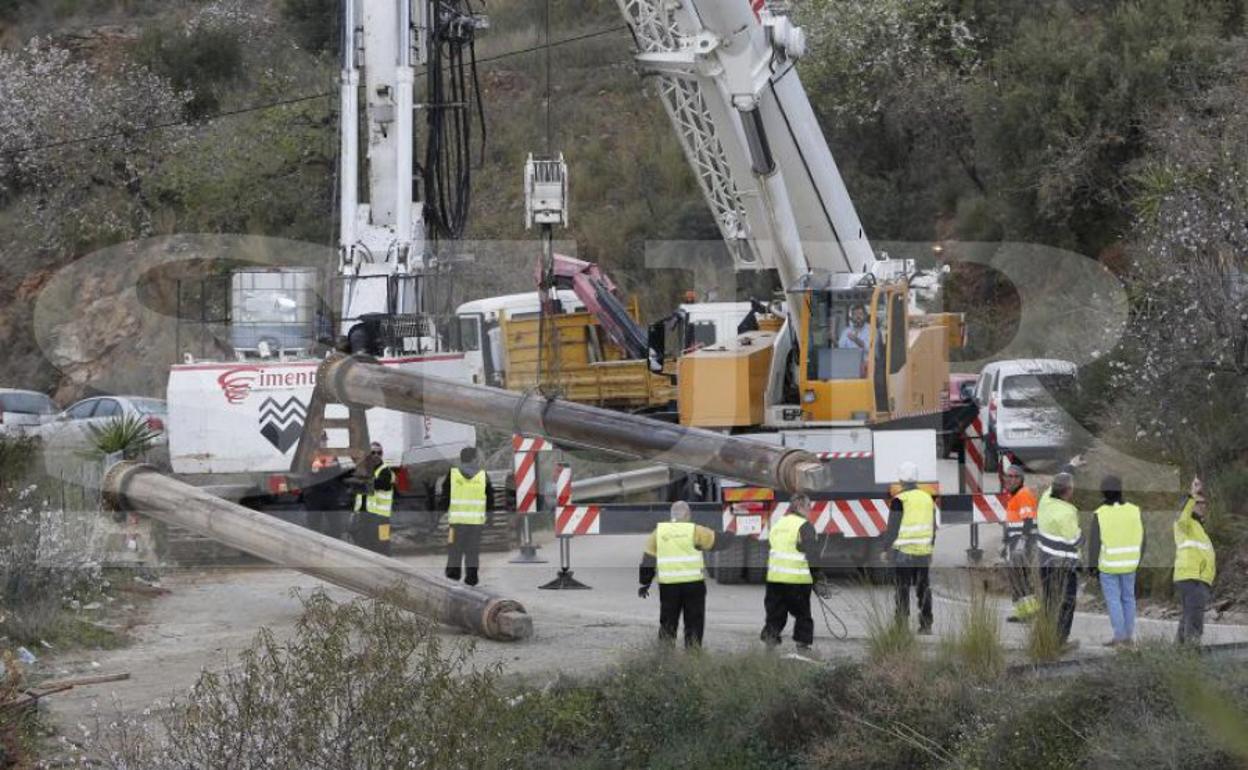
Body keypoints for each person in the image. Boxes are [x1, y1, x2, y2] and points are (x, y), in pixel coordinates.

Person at [637, 501, 729, 648]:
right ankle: (692, 655)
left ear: (671, 514)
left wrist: (644, 583)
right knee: (694, 622)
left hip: (668, 587)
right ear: (688, 515)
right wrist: (733, 534)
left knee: (668, 622)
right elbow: (717, 542)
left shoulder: (659, 532)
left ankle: (665, 655)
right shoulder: (695, 530)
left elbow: (648, 559)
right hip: (693, 585)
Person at [760, 494, 827, 651]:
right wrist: (818, 577)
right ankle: (802, 647)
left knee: (775, 615)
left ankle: (769, 648)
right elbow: (813, 555)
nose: (810, 510)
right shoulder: (805, 526)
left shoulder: (778, 524)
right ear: (799, 507)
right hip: (797, 581)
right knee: (803, 615)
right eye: (808, 506)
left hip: (775, 579)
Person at [1087, 475, 1144, 647]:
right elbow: (1143, 538)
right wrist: (1138, 559)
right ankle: (1128, 636)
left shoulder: (1100, 514)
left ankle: (1119, 636)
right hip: (1130, 564)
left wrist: (1092, 566)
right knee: (1129, 598)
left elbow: (1094, 543)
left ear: (1103, 493)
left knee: (1114, 600)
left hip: (1109, 565)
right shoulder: (1135, 510)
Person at [883, 462, 936, 634]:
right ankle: (926, 625)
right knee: (923, 588)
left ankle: (901, 626)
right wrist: (931, 547)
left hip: (904, 553)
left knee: (902, 589)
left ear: (900, 479)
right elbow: (933, 526)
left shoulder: (899, 500)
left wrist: (886, 548)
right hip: (923, 552)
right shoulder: (927, 498)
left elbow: (892, 528)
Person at [1036, 472, 1082, 651]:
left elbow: (1050, 488)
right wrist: (1083, 539)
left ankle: (1045, 639)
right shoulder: (1067, 513)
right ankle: (1060, 642)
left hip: (1045, 563)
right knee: (1067, 602)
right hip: (1063, 566)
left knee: (1049, 601)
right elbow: (1074, 540)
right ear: (1068, 491)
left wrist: (1071, 466)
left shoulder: (1045, 502)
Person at [441, 446, 494, 587]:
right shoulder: (483, 476)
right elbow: (490, 500)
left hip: (456, 523)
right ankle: (471, 579)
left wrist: (438, 515)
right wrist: (490, 519)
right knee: (472, 552)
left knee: (454, 550)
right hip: (476, 524)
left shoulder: (452, 474)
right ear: (474, 458)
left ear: (461, 458)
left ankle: (453, 577)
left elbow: (445, 497)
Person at [1174, 477, 1216, 645]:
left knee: (1188, 616)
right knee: (1195, 618)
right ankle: (1191, 653)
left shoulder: (1198, 528)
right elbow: (1184, 514)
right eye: (1200, 503)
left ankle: (1179, 654)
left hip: (1198, 579)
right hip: (1192, 577)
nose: (1203, 506)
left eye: (1205, 503)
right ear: (1191, 505)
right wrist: (1192, 494)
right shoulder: (1184, 523)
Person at [1001, 463, 1040, 622]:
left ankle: (1029, 612)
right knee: (1015, 578)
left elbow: (1028, 520)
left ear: (1021, 479)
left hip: (1022, 544)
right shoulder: (1014, 496)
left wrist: (1022, 542)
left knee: (1021, 578)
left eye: (1014, 476)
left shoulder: (1023, 495)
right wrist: (1004, 544)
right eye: (1008, 476)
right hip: (1014, 544)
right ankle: (1022, 612)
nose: (1010, 479)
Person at [347, 442, 395, 555]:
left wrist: (362, 481)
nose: (376, 455)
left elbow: (382, 484)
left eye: (379, 453)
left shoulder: (385, 471)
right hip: (364, 516)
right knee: (363, 546)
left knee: (383, 545)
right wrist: (353, 513)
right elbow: (355, 492)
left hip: (382, 517)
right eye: (373, 453)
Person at [303, 433, 349, 540]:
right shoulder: (310, 455)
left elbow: (337, 471)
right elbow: (310, 473)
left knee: (335, 525)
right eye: (321, 440)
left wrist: (322, 470)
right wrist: (326, 469)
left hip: (330, 494)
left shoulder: (332, 455)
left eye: (324, 440)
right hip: (315, 495)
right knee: (314, 525)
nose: (323, 442)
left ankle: (335, 546)